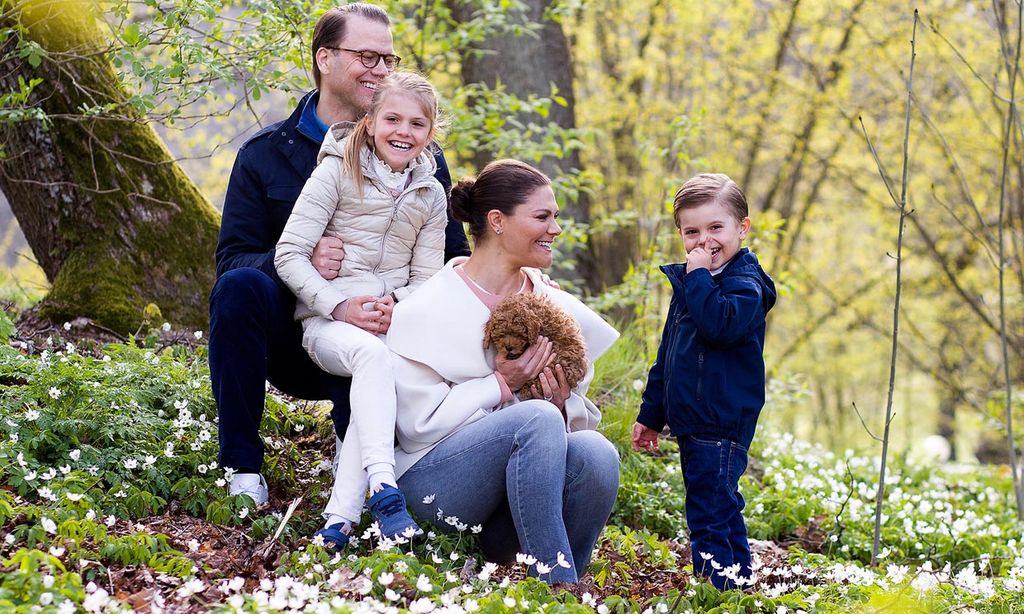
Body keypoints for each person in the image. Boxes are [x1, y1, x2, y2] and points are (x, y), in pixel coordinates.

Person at [209, 3, 470, 505]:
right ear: (324, 58)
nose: (379, 70)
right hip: (296, 332)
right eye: (366, 56)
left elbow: (449, 256)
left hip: (385, 330)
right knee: (239, 287)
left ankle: (370, 459)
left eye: (388, 60)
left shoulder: (421, 160)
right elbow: (234, 259)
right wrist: (310, 263)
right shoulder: (264, 154)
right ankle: (243, 468)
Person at [385, 159, 621, 585]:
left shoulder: (552, 304)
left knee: (597, 453)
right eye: (542, 217)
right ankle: (560, 589)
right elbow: (415, 428)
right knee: (537, 419)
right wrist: (499, 386)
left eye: (556, 217)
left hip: (512, 506)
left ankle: (557, 575)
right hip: (435, 488)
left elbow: (567, 421)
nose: (556, 229)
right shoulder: (428, 306)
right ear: (497, 221)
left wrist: (561, 403)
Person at [275, 71, 446, 546]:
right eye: (392, 118)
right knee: (373, 359)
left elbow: (427, 278)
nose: (403, 132)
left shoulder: (430, 195)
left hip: (389, 327)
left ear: (430, 134)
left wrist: (399, 303)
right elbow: (288, 254)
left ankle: (337, 522)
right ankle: (384, 488)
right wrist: (340, 306)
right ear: (369, 122)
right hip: (329, 326)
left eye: (416, 124)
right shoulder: (335, 170)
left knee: (383, 375)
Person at [631, 173, 777, 590]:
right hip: (694, 420)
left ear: (742, 228)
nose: (703, 240)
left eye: (716, 228)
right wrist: (651, 414)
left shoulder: (745, 284)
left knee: (709, 511)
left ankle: (716, 590)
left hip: (722, 418)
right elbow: (669, 354)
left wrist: (696, 278)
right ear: (679, 232)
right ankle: (736, 585)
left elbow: (721, 327)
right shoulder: (692, 283)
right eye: (691, 231)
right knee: (719, 507)